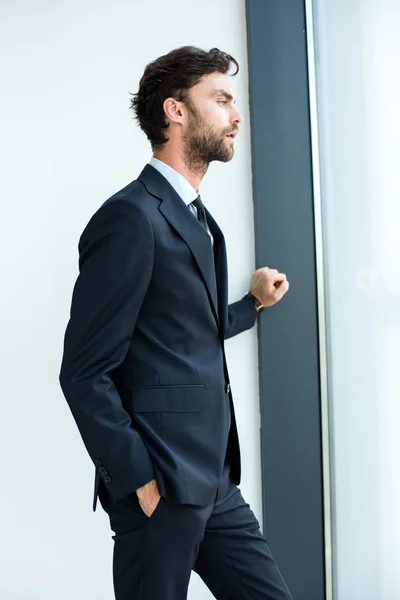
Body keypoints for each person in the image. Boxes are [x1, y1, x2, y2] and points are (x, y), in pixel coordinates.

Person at [59, 45, 292, 600]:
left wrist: (252, 305)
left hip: (213, 477)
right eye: (221, 100)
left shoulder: (196, 217)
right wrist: (137, 479)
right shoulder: (131, 217)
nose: (236, 116)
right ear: (176, 111)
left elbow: (186, 331)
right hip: (159, 483)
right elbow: (84, 371)